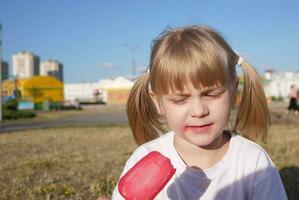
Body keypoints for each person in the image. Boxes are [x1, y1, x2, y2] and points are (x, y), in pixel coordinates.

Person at [112, 25, 287, 199]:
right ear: (158, 102)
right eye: (180, 99)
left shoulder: (253, 164)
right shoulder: (143, 158)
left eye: (211, 94)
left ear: (234, 92)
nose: (198, 111)